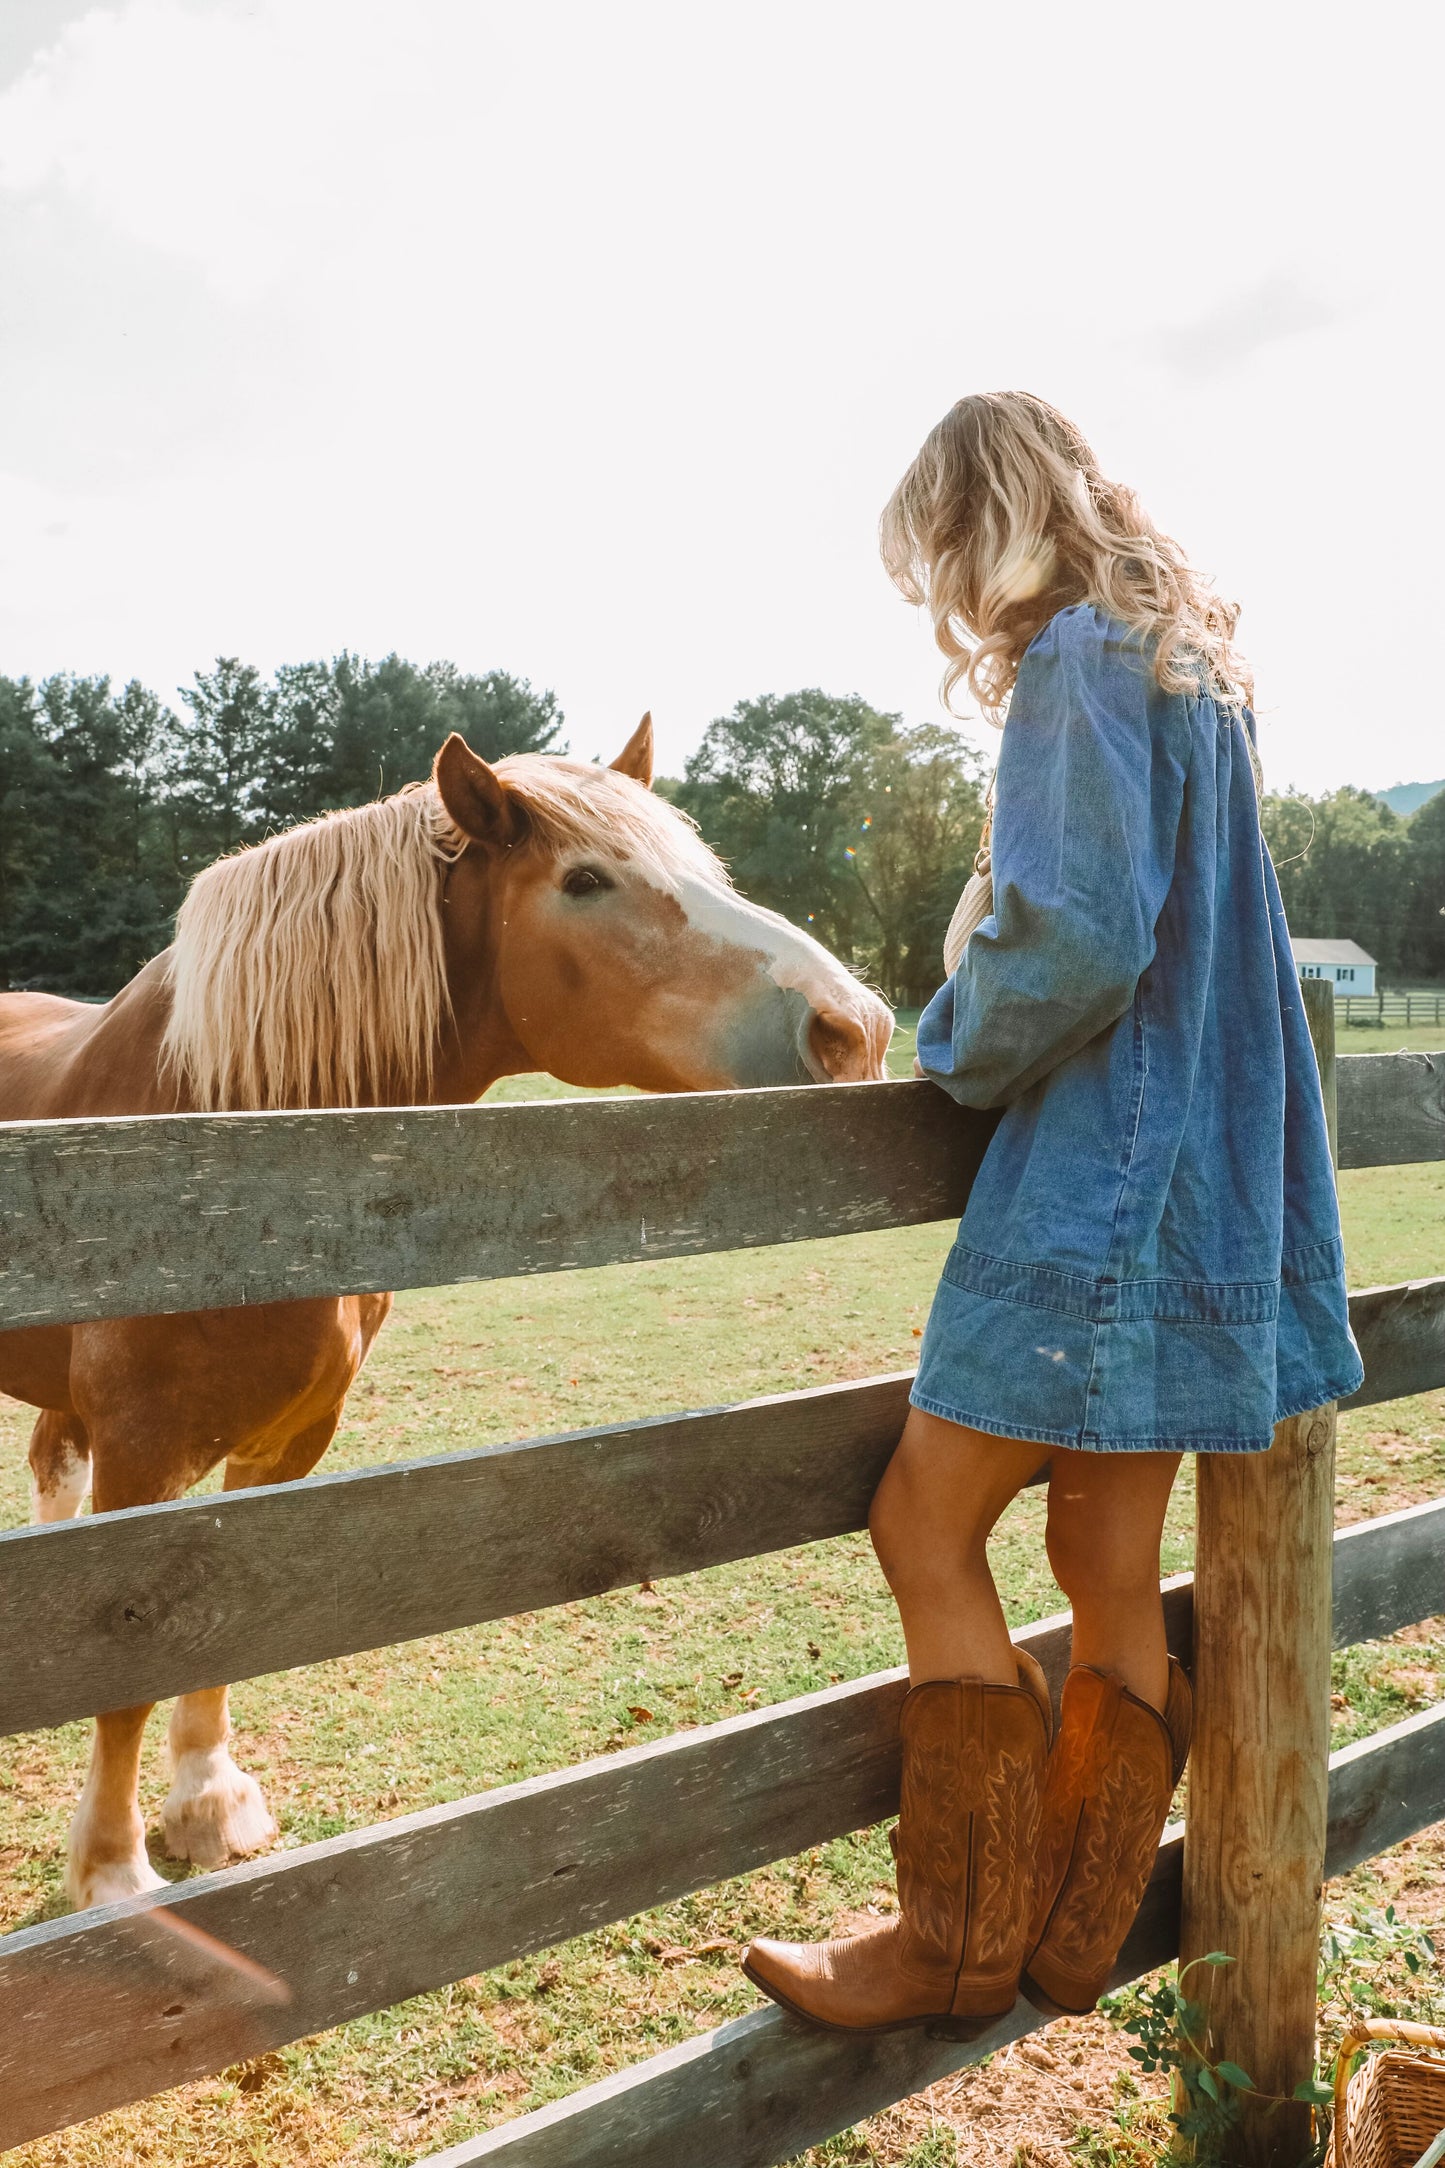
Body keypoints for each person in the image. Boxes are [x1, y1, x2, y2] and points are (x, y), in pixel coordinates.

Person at [742, 391, 1363, 2037]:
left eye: (933, 559)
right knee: (1101, 1555)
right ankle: (1073, 1934)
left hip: (1103, 1185)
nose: (946, 605)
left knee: (922, 1527)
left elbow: (1079, 938)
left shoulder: (1083, 664)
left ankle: (946, 1946)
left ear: (976, 522)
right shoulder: (1186, 674)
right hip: (1204, 1187)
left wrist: (948, 1031)